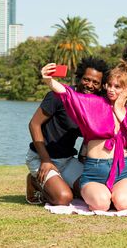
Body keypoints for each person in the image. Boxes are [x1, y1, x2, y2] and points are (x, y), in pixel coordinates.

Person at [41, 61, 127, 211]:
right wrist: (49, 80)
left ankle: (121, 195)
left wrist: (118, 108)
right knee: (101, 204)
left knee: (123, 204)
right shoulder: (93, 104)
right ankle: (105, 196)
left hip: (122, 171)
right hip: (94, 171)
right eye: (109, 85)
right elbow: (68, 95)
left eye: (117, 87)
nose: (111, 89)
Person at [26, 57, 108, 206]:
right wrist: (45, 160)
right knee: (63, 198)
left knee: (91, 194)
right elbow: (34, 124)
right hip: (41, 157)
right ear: (79, 77)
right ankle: (34, 181)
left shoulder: (93, 106)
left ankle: (57, 181)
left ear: (101, 86)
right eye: (86, 79)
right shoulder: (58, 96)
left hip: (67, 160)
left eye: (95, 82)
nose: (89, 85)